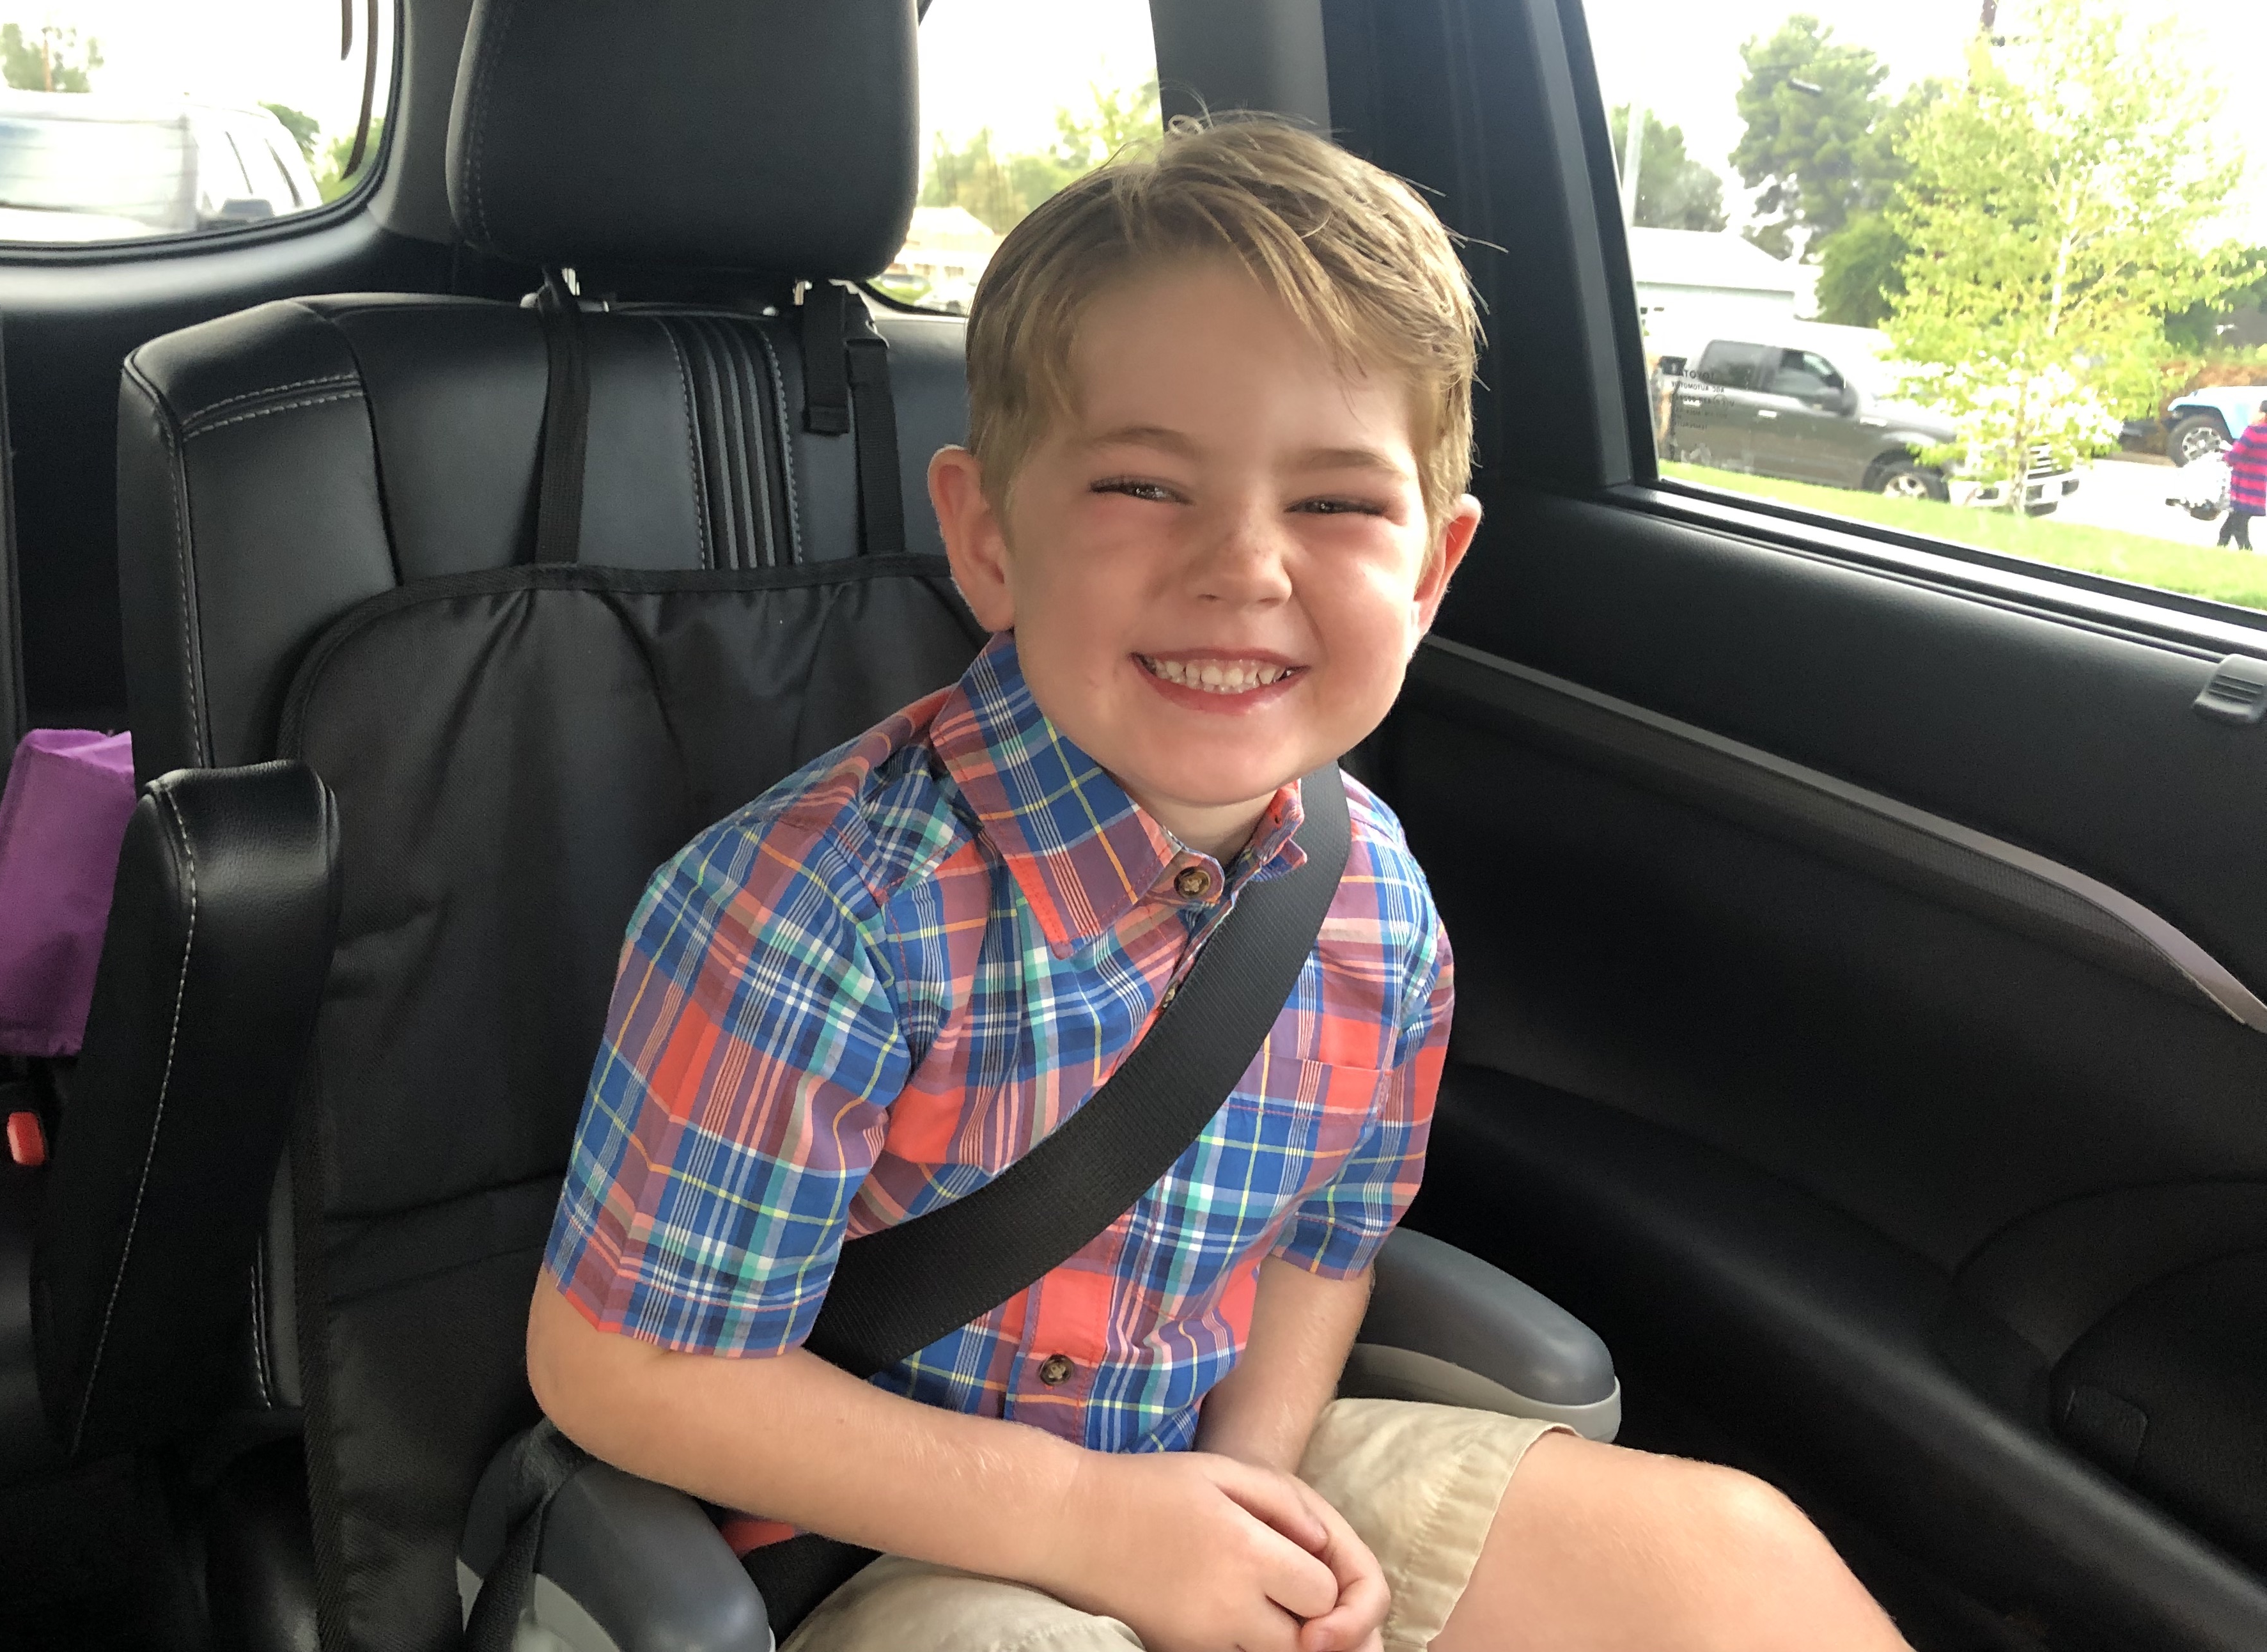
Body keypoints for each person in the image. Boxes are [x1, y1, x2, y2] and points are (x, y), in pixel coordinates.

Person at [527, 117, 1909, 1652]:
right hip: (879, 1535)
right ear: (988, 538)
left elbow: (1326, 1245)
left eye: (1335, 503)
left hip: (1199, 1461)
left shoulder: (1371, 902)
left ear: (1432, 571)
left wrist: (1246, 1502)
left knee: (1727, 1564)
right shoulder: (818, 910)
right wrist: (1085, 1526)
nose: (1245, 565)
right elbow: (623, 1369)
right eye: (1141, 486)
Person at [2218, 407, 2267, 551]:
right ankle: (2220, 549)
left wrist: (2224, 456)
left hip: (2244, 485)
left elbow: (2235, 455)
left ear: (2262, 414)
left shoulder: (2253, 432)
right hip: (2258, 486)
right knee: (2233, 523)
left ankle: (2246, 551)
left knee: (2239, 528)